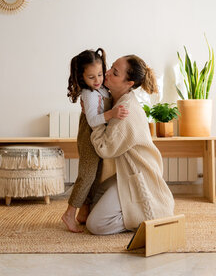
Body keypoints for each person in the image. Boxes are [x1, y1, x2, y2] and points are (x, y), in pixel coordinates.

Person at [86, 55, 175, 235]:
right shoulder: (119, 100)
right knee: (93, 200)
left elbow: (104, 148)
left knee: (95, 225)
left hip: (139, 175)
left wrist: (95, 121)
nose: (107, 73)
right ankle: (130, 211)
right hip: (127, 173)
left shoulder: (125, 111)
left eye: (115, 73)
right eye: (111, 67)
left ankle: (141, 218)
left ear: (129, 83)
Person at [62, 48, 129, 233]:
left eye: (100, 74)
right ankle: (69, 213)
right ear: (82, 77)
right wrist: (112, 113)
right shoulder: (89, 94)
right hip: (88, 138)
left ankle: (85, 210)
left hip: (98, 138)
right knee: (87, 176)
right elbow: (92, 120)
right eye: (91, 77)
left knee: (96, 175)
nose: (97, 80)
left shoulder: (101, 89)